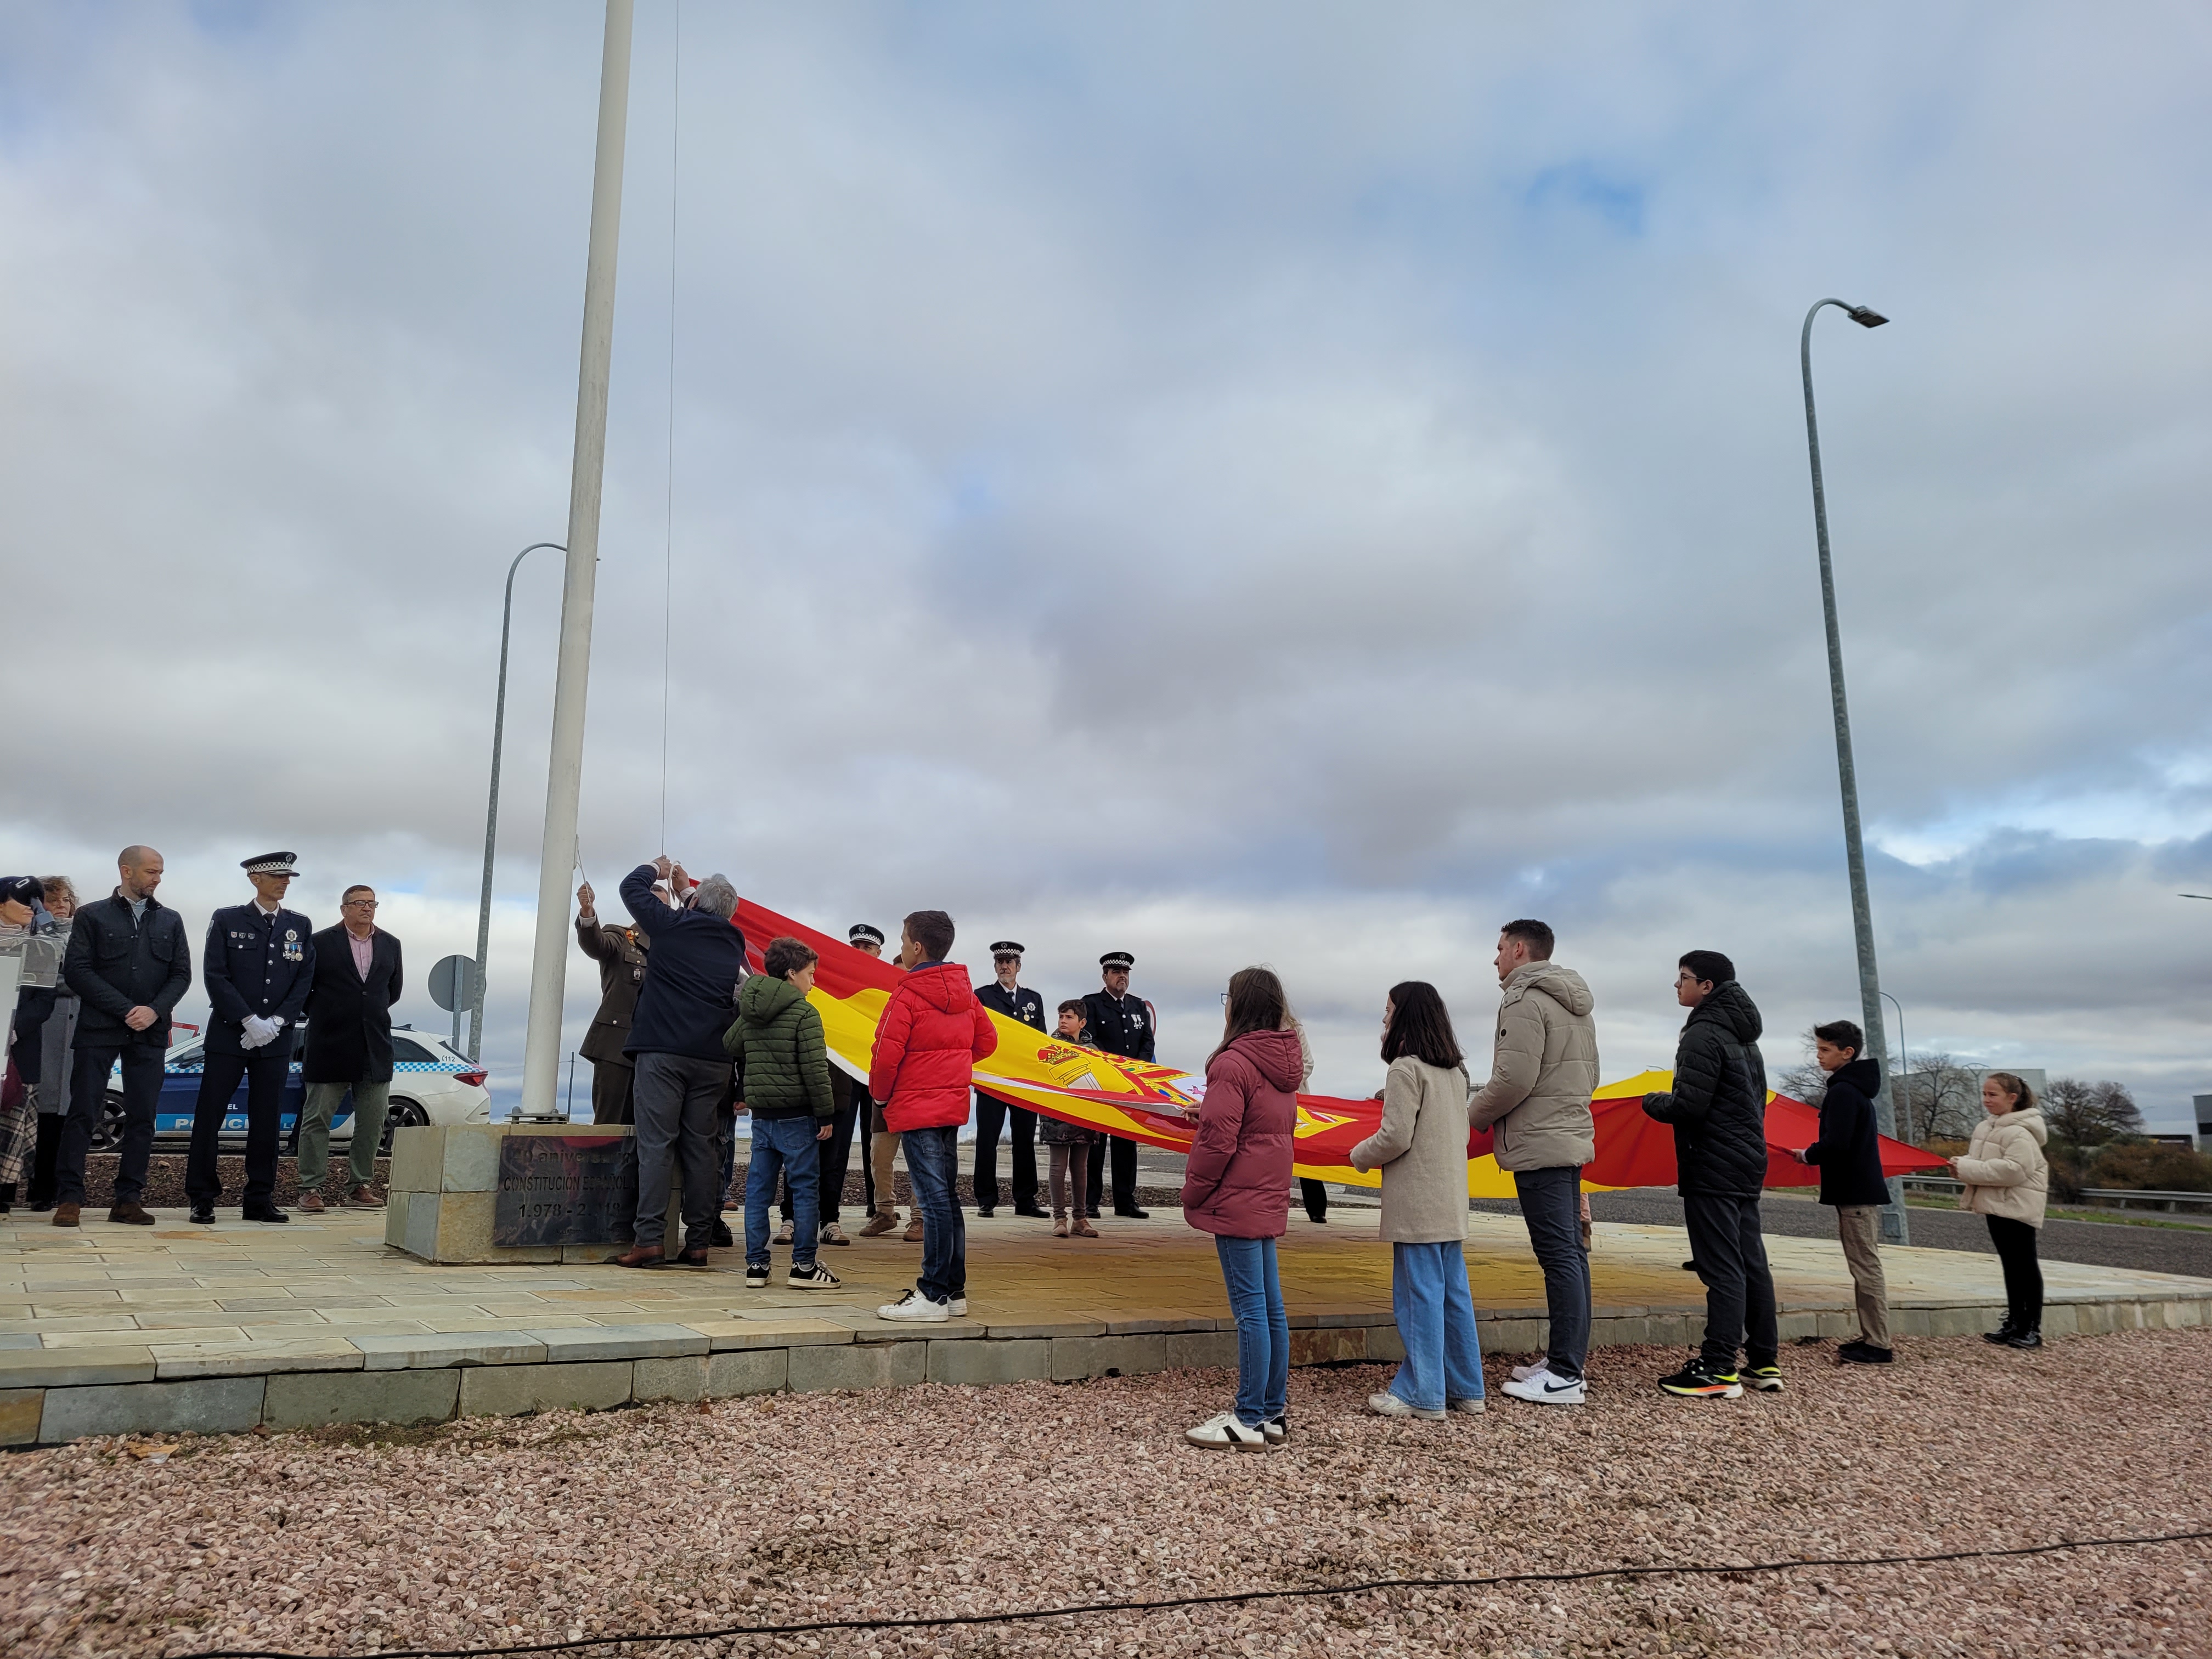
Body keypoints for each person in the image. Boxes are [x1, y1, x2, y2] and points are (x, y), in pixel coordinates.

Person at [1463, 920, 1599, 1409]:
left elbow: (1513, 1079)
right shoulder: (1574, 1001)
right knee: (1570, 1253)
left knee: (1559, 1255)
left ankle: (1565, 1375)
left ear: (1519, 950)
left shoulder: (1523, 998)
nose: (1495, 958)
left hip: (1539, 1143)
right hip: (1568, 1136)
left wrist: (1468, 1121)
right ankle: (1568, 1360)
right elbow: (1590, 1072)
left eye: (1499, 948)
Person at [1641, 950, 1779, 1400]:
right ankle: (1763, 1362)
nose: (1677, 986)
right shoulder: (1746, 1037)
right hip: (1746, 1160)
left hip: (1713, 1164)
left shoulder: (1702, 1033)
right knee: (1750, 1262)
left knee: (1721, 1267)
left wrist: (1651, 1101)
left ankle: (1718, 1368)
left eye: (1683, 978)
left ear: (1707, 987)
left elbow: (1689, 1106)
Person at [1351, 981, 1485, 1421]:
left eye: (1389, 1011)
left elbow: (1396, 1137)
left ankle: (1422, 1392)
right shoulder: (1455, 1073)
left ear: (1405, 1017)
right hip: (1449, 1202)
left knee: (1418, 1298)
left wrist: (1359, 1156)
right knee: (1454, 1297)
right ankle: (1467, 1388)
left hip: (1417, 1205)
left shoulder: (1404, 1069)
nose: (1385, 1019)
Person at [1181, 967, 1301, 1451]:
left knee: (1251, 1311)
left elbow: (1218, 1141)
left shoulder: (1233, 1062)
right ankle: (1271, 1413)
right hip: (1267, 1193)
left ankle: (1247, 1417)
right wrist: (1211, 1108)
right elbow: (1257, 1124)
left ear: (1240, 1004)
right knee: (1271, 1309)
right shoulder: (1283, 1062)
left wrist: (1194, 1193)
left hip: (1235, 1197)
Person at [612, 857, 746, 1269]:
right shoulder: (734, 941)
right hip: (713, 1060)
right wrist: (688, 888)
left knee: (657, 1144)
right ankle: (699, 1243)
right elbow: (710, 915)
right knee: (703, 1150)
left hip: (664, 1052)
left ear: (694, 904)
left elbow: (630, 889)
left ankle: (649, 1241)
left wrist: (654, 868)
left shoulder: (670, 926)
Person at [870, 910, 997, 1323]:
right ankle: (954, 1292)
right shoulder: (966, 993)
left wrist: (882, 1097)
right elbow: (988, 1042)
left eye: (903, 939)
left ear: (917, 947)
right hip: (950, 1109)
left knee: (934, 1200)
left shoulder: (906, 995)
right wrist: (950, 1067)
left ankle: (933, 1295)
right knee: (947, 1199)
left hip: (916, 1109)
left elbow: (885, 1057)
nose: (900, 947)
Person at [57, 847, 191, 1228]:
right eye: (151, 872)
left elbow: (181, 974)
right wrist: (124, 1009)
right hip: (99, 1029)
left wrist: (152, 1010)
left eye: (161, 872)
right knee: (83, 1111)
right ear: (126, 871)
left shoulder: (171, 920)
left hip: (149, 1032)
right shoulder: (91, 915)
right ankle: (69, 1198)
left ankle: (128, 1199)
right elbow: (78, 970)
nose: (157, 879)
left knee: (144, 1116)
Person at [185, 852, 317, 1226]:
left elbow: (303, 978)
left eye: (288, 877)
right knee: (209, 1117)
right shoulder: (227, 919)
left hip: (275, 1038)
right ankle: (202, 1197)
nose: (285, 882)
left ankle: (259, 1197)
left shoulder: (299, 925)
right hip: (230, 1035)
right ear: (255, 879)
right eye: (277, 876)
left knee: (267, 1119)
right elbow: (216, 974)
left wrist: (276, 1021)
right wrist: (247, 1019)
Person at [724, 936, 840, 1289]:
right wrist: (825, 1114)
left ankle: (756, 1267)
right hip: (798, 1117)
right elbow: (815, 1069)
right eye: (810, 973)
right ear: (792, 974)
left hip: (763, 1119)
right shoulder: (805, 1013)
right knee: (805, 1189)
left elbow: (730, 1044)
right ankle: (804, 1267)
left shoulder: (752, 1007)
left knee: (758, 1192)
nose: (813, 981)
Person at [1787, 1019, 1893, 1364]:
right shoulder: (1851, 1088)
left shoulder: (1845, 1092)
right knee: (1863, 1266)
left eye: (1825, 1050)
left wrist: (1807, 1155)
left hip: (1856, 1193)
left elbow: (1837, 1143)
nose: (1818, 1057)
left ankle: (1878, 1345)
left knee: (1866, 1267)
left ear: (1847, 1053)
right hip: (1855, 1192)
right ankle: (1872, 1338)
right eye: (1817, 1049)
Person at [296, 884, 404, 1211]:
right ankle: (311, 1189)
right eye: (359, 903)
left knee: (372, 1122)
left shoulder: (391, 944)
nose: (366, 909)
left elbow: (392, 991)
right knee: (317, 1119)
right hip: (329, 1043)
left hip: (374, 1045)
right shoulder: (319, 943)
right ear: (344, 909)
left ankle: (359, 1187)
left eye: (372, 903)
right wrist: (330, 1012)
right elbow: (304, 989)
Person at [1942, 1072, 2049, 1349]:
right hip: (1996, 1204)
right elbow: (1983, 1163)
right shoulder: (1986, 1127)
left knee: (2024, 1266)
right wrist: (1961, 1165)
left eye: (1993, 1095)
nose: (1986, 1100)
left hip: (2017, 1205)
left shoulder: (2020, 1132)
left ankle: (2031, 1329)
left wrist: (1966, 1168)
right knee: (2011, 1266)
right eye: (1984, 1094)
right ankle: (2014, 1322)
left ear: (2012, 1099)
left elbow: (2014, 1171)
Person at [972, 940, 1047, 1218]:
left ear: (1018, 967)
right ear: (995, 966)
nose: (1005, 966)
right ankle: (986, 1199)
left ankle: (1025, 1200)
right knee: (987, 1139)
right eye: (1000, 962)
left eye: (1010, 962)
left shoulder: (1033, 999)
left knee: (1025, 1139)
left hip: (1023, 1080)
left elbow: (1040, 1039)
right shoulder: (982, 996)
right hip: (992, 1078)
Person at [1082, 950, 1154, 1218]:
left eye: (1125, 973)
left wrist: (1138, 1069)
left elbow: (1147, 1041)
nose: (1122, 976)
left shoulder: (1138, 1006)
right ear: (1105, 977)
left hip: (1130, 1086)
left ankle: (1125, 1201)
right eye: (1116, 972)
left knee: (1127, 1145)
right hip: (1102, 1084)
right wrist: (1113, 1068)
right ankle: (1091, 1202)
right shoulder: (1091, 1004)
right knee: (1096, 1146)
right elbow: (1090, 1039)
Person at [574, 880, 651, 1125]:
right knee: (611, 1128)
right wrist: (588, 914)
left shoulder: (676, 949)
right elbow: (597, 944)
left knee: (651, 1132)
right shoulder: (624, 935)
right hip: (618, 1049)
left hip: (660, 1053)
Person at [26, 878, 81, 1210]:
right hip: (43, 1028)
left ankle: (62, 1188)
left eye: (67, 899)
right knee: (40, 1113)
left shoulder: (86, 933)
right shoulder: (31, 933)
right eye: (54, 900)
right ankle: (38, 1188)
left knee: (70, 1113)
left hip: (79, 1032)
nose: (62, 905)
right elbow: (40, 978)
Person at [1043, 1000, 1104, 1238]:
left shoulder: (1093, 1050)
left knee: (1080, 1168)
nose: (1063, 1021)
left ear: (1082, 1022)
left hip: (1084, 1113)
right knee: (1058, 1167)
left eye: (1069, 1017)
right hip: (1056, 1113)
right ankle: (1059, 1218)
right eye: (1061, 1017)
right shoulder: (1049, 1046)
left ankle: (1080, 1218)